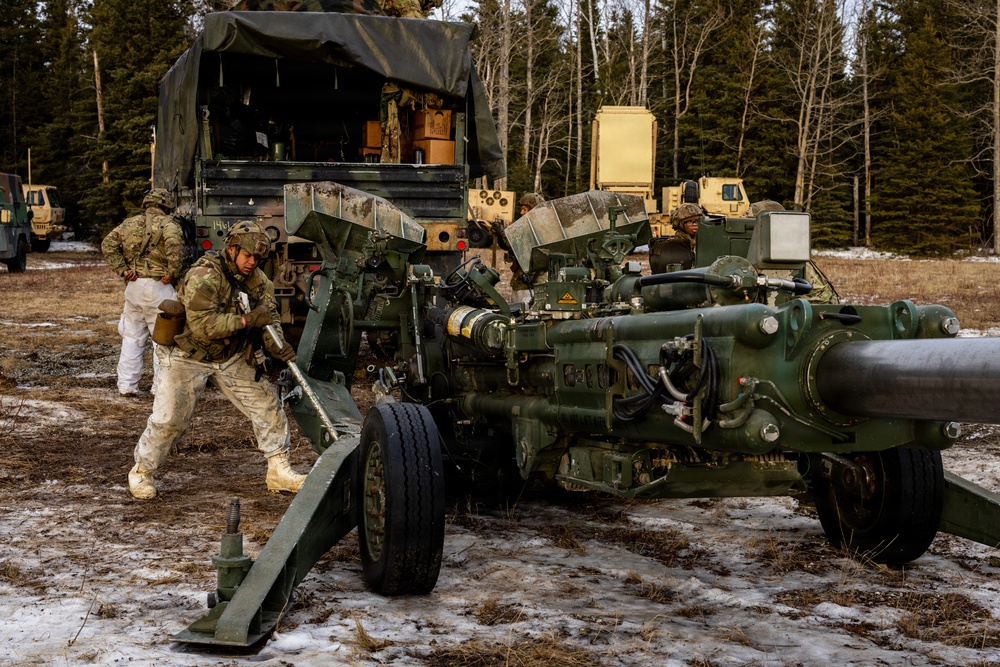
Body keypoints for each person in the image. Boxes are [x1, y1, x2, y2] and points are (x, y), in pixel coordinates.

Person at [127, 221, 306, 500]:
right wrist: (247, 320)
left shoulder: (259, 281)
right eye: (248, 256)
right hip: (189, 355)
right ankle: (142, 471)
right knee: (170, 420)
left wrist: (278, 347)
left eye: (258, 258)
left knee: (267, 404)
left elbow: (269, 320)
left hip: (230, 355)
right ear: (232, 249)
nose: (253, 262)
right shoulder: (203, 275)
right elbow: (203, 326)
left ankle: (278, 470)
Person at [102, 188, 185, 397]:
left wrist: (123, 269)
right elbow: (176, 248)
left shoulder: (128, 223)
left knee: (131, 337)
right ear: (166, 206)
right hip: (160, 288)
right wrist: (172, 273)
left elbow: (108, 244)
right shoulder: (169, 225)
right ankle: (160, 388)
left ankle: (127, 386)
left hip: (134, 286)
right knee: (162, 341)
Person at [509, 193, 544, 303]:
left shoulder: (538, 230)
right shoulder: (528, 228)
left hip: (529, 285)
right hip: (522, 283)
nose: (521, 213)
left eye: (524, 209)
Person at [649, 202, 701, 274]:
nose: (695, 224)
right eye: (690, 221)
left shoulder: (703, 241)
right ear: (680, 224)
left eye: (697, 221)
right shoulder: (673, 245)